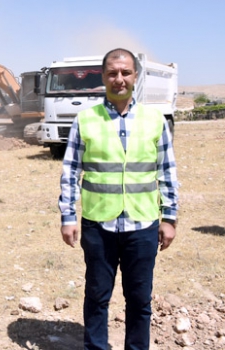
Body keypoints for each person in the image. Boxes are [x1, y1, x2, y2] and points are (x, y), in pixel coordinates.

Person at [58, 48, 179, 350]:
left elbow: (166, 170)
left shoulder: (155, 120)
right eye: (113, 73)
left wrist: (170, 217)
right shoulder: (85, 120)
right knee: (97, 297)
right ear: (103, 77)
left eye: (125, 72)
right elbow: (71, 171)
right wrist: (68, 217)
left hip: (143, 225)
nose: (119, 79)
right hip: (99, 226)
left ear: (135, 77)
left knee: (139, 300)